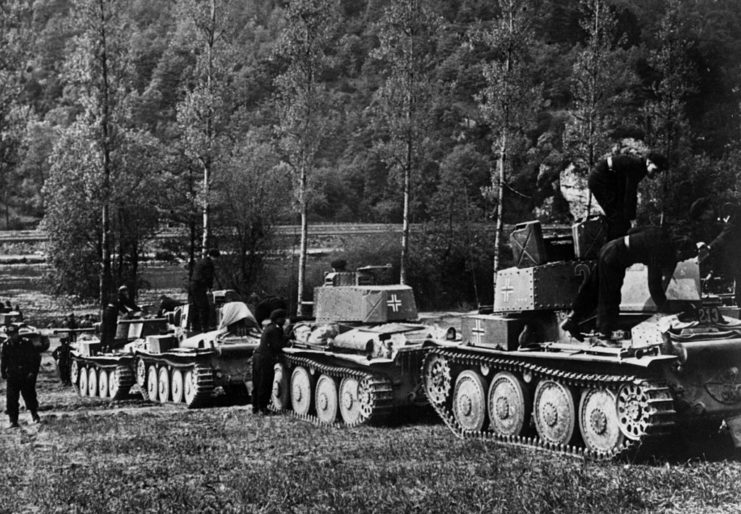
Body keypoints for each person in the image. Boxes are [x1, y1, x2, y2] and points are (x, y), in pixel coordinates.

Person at [562, 226, 696, 346]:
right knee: (610, 295)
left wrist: (638, 245)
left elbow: (632, 230)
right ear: (679, 249)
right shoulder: (661, 249)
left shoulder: (661, 232)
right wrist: (665, 307)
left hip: (611, 247)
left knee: (592, 287)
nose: (682, 260)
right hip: (616, 256)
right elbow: (653, 285)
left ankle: (572, 319)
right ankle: (604, 335)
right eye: (684, 257)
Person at [588, 152, 668, 240]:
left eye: (658, 172)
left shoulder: (640, 167)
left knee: (621, 217)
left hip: (609, 182)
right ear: (648, 162)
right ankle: (611, 247)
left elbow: (625, 190)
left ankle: (616, 241)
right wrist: (632, 218)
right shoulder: (637, 166)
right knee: (616, 217)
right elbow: (630, 193)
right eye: (655, 170)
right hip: (599, 180)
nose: (655, 175)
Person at [690, 198, 741, 306]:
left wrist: (709, 248)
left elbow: (727, 233)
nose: (704, 221)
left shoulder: (729, 208)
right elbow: (720, 250)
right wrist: (712, 272)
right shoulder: (716, 222)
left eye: (702, 218)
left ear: (707, 210)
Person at [1, 324, 41, 428]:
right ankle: (13, 421)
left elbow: (35, 359)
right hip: (13, 376)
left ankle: (34, 415)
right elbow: (4, 360)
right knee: (12, 399)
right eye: (9, 335)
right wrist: (3, 372)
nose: (10, 337)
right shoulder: (6, 345)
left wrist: (33, 372)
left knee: (29, 396)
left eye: (12, 334)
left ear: (17, 333)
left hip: (26, 375)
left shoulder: (26, 343)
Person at [252, 309, 288, 415]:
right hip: (265, 359)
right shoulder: (275, 330)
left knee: (257, 383)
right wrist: (287, 340)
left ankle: (255, 407)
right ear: (277, 319)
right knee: (265, 384)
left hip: (258, 357)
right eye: (282, 318)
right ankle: (263, 408)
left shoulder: (270, 328)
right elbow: (277, 345)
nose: (284, 320)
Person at [189, 249, 220, 333]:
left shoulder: (201, 261)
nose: (216, 261)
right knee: (204, 307)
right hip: (199, 286)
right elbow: (208, 277)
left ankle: (195, 327)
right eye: (216, 258)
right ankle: (205, 328)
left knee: (196, 307)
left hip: (193, 285)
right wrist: (210, 287)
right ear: (214, 257)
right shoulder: (209, 264)